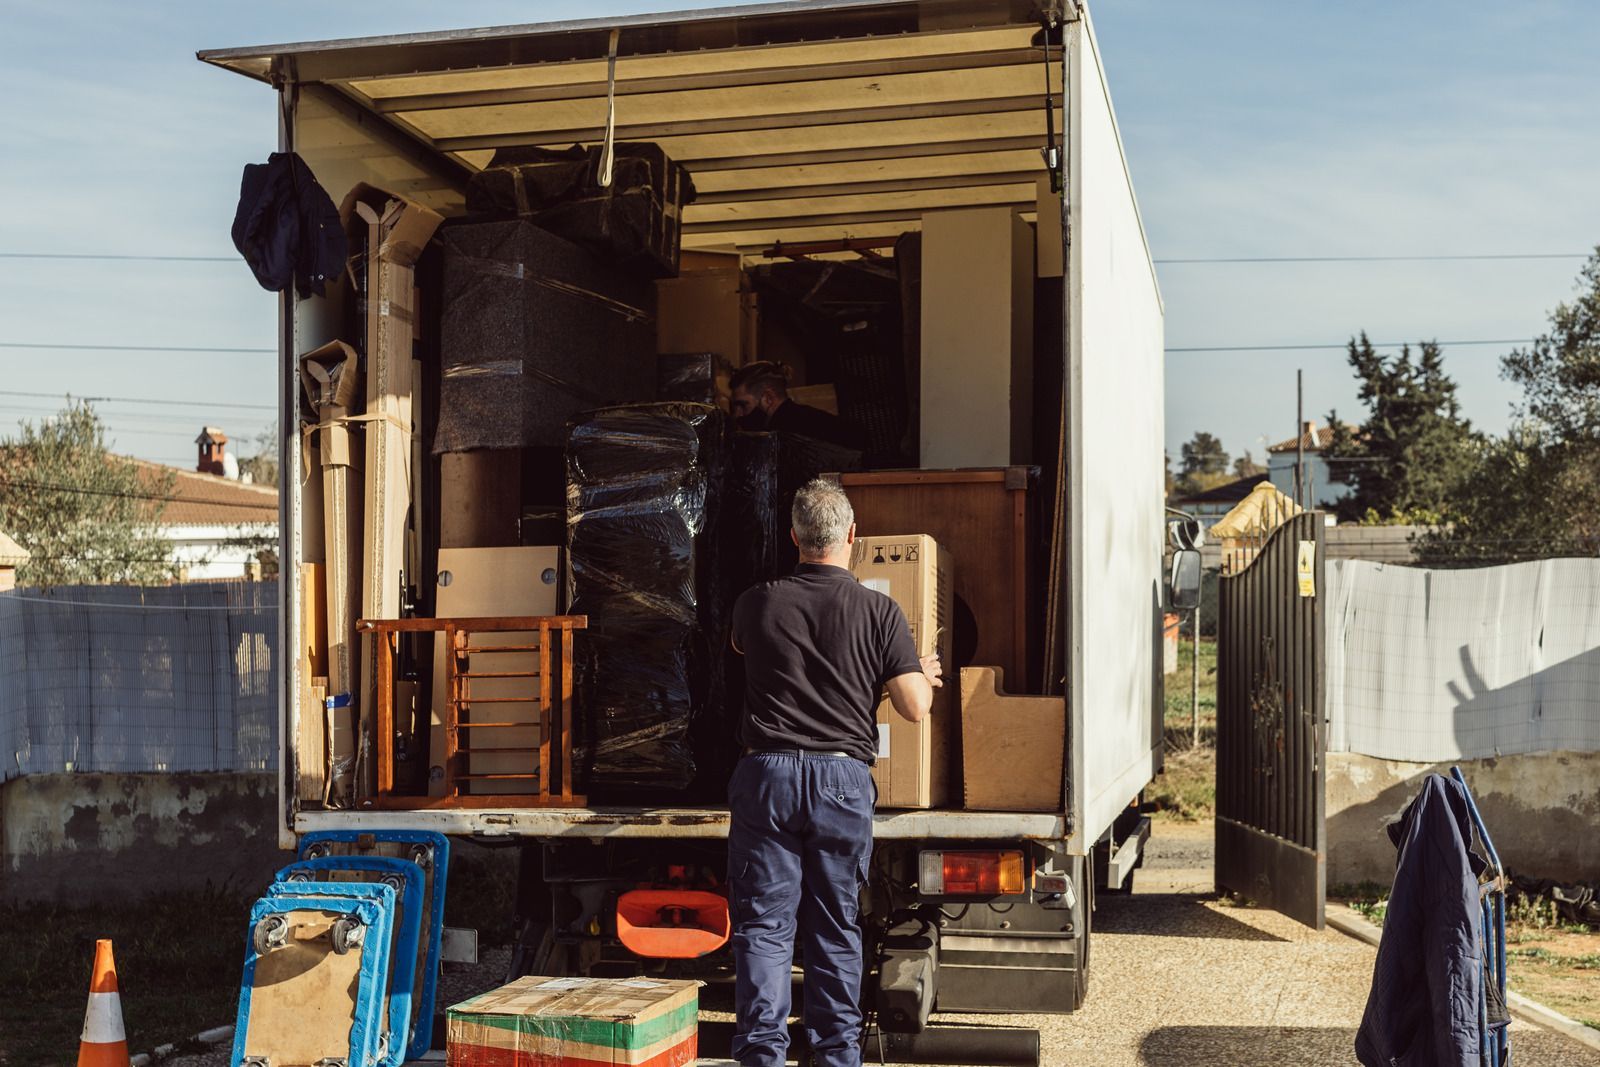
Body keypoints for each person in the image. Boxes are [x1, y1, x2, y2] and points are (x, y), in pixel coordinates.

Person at [727, 478, 942, 1067]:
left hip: (766, 775)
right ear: (853, 536)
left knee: (765, 929)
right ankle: (834, 1057)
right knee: (834, 927)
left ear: (794, 536)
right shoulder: (881, 611)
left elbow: (754, 654)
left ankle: (762, 1056)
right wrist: (909, 668)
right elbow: (914, 706)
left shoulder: (758, 601)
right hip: (841, 782)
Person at [729, 361, 867, 451]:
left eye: (743, 405)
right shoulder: (798, 420)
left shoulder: (789, 433)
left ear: (768, 398)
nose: (738, 414)